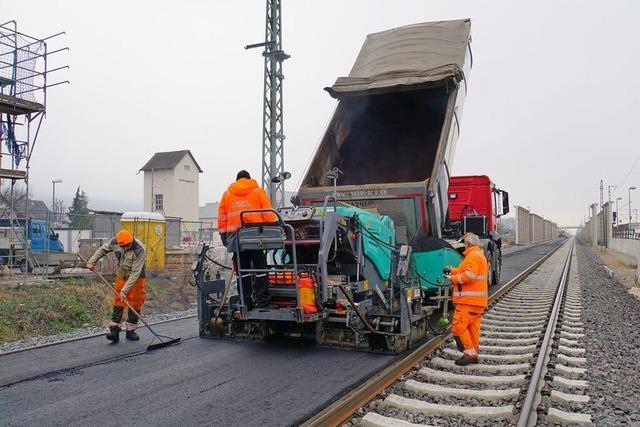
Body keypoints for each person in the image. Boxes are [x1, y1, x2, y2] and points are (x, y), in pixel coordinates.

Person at [218, 170, 277, 310]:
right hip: (257, 237)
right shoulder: (258, 191)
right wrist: (273, 230)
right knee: (260, 268)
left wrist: (224, 239)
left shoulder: (227, 194)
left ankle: (246, 302)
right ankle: (263, 301)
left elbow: (221, 219)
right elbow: (268, 214)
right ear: (249, 179)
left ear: (237, 180)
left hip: (236, 239)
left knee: (242, 271)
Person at [87, 229, 146, 343]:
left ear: (131, 242)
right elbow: (103, 249)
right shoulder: (115, 242)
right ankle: (114, 331)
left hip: (137, 278)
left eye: (126, 246)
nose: (124, 248)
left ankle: (130, 331)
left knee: (135, 302)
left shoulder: (139, 250)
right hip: (121, 274)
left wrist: (125, 290)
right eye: (122, 246)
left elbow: (135, 273)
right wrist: (92, 261)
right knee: (118, 301)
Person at [445, 232, 489, 366]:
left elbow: (469, 276)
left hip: (468, 301)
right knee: (472, 328)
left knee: (458, 327)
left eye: (464, 244)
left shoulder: (473, 256)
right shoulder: (477, 255)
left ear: (468, 243)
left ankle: (469, 355)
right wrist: (452, 271)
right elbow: (466, 271)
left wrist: (452, 279)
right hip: (476, 302)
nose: (464, 246)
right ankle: (473, 353)